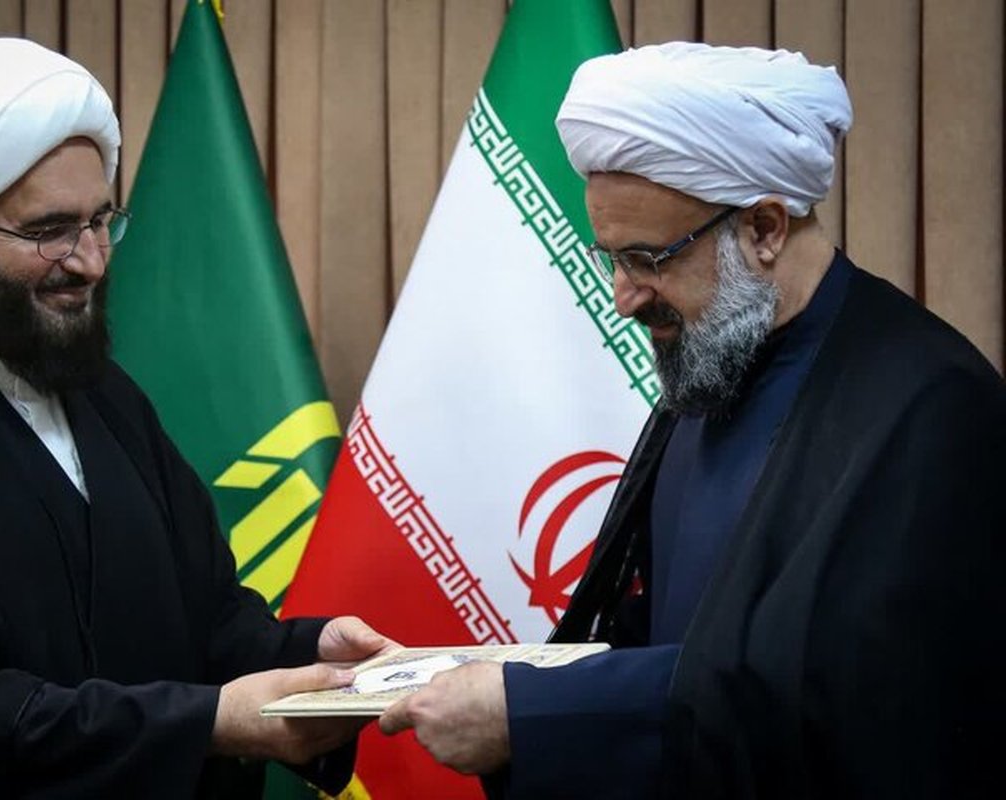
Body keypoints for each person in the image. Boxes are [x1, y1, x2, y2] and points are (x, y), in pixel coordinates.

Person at [380, 42, 1006, 798]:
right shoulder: (714, 364)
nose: (623, 297)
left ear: (765, 228)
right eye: (611, 259)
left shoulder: (930, 406)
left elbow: (844, 700)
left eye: (648, 259)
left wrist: (534, 716)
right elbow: (667, 631)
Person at [0, 38, 392, 798]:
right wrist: (209, 723)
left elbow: (207, 617)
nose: (88, 260)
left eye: (99, 220)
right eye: (49, 230)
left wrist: (314, 656)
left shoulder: (106, 397)